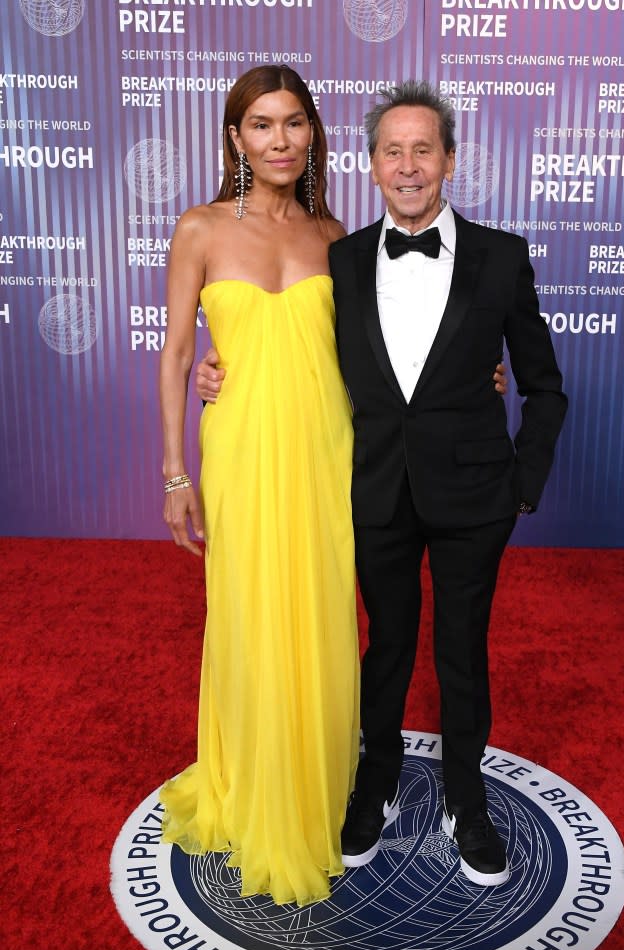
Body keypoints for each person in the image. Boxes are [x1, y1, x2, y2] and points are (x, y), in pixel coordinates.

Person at [196, 81, 560, 889]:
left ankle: (469, 803)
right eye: (390, 151)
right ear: (368, 165)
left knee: (461, 653)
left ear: (449, 161)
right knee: (386, 647)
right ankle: (375, 786)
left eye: (421, 149)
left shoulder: (503, 255)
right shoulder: (341, 255)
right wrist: (218, 365)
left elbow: (543, 383)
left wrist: (520, 483)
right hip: (372, 492)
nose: (407, 166)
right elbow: (284, 340)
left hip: (473, 497)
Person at [157, 65, 361, 907]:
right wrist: (175, 473)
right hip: (238, 447)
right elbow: (175, 354)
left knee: (318, 608)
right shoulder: (200, 229)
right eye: (261, 126)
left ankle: (313, 782)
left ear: (313, 132)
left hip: (324, 448)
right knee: (246, 607)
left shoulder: (335, 233)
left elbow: (369, 355)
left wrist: (472, 380)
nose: (279, 141)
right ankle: (250, 782)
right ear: (235, 138)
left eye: (294, 124)